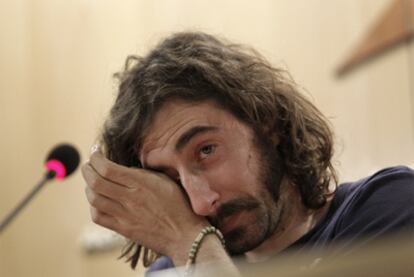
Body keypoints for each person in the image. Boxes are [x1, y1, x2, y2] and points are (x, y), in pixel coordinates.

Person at [81, 32, 414, 275]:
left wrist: (191, 244)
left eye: (206, 150)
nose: (199, 203)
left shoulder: (387, 209)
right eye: (169, 179)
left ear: (265, 122)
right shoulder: (177, 268)